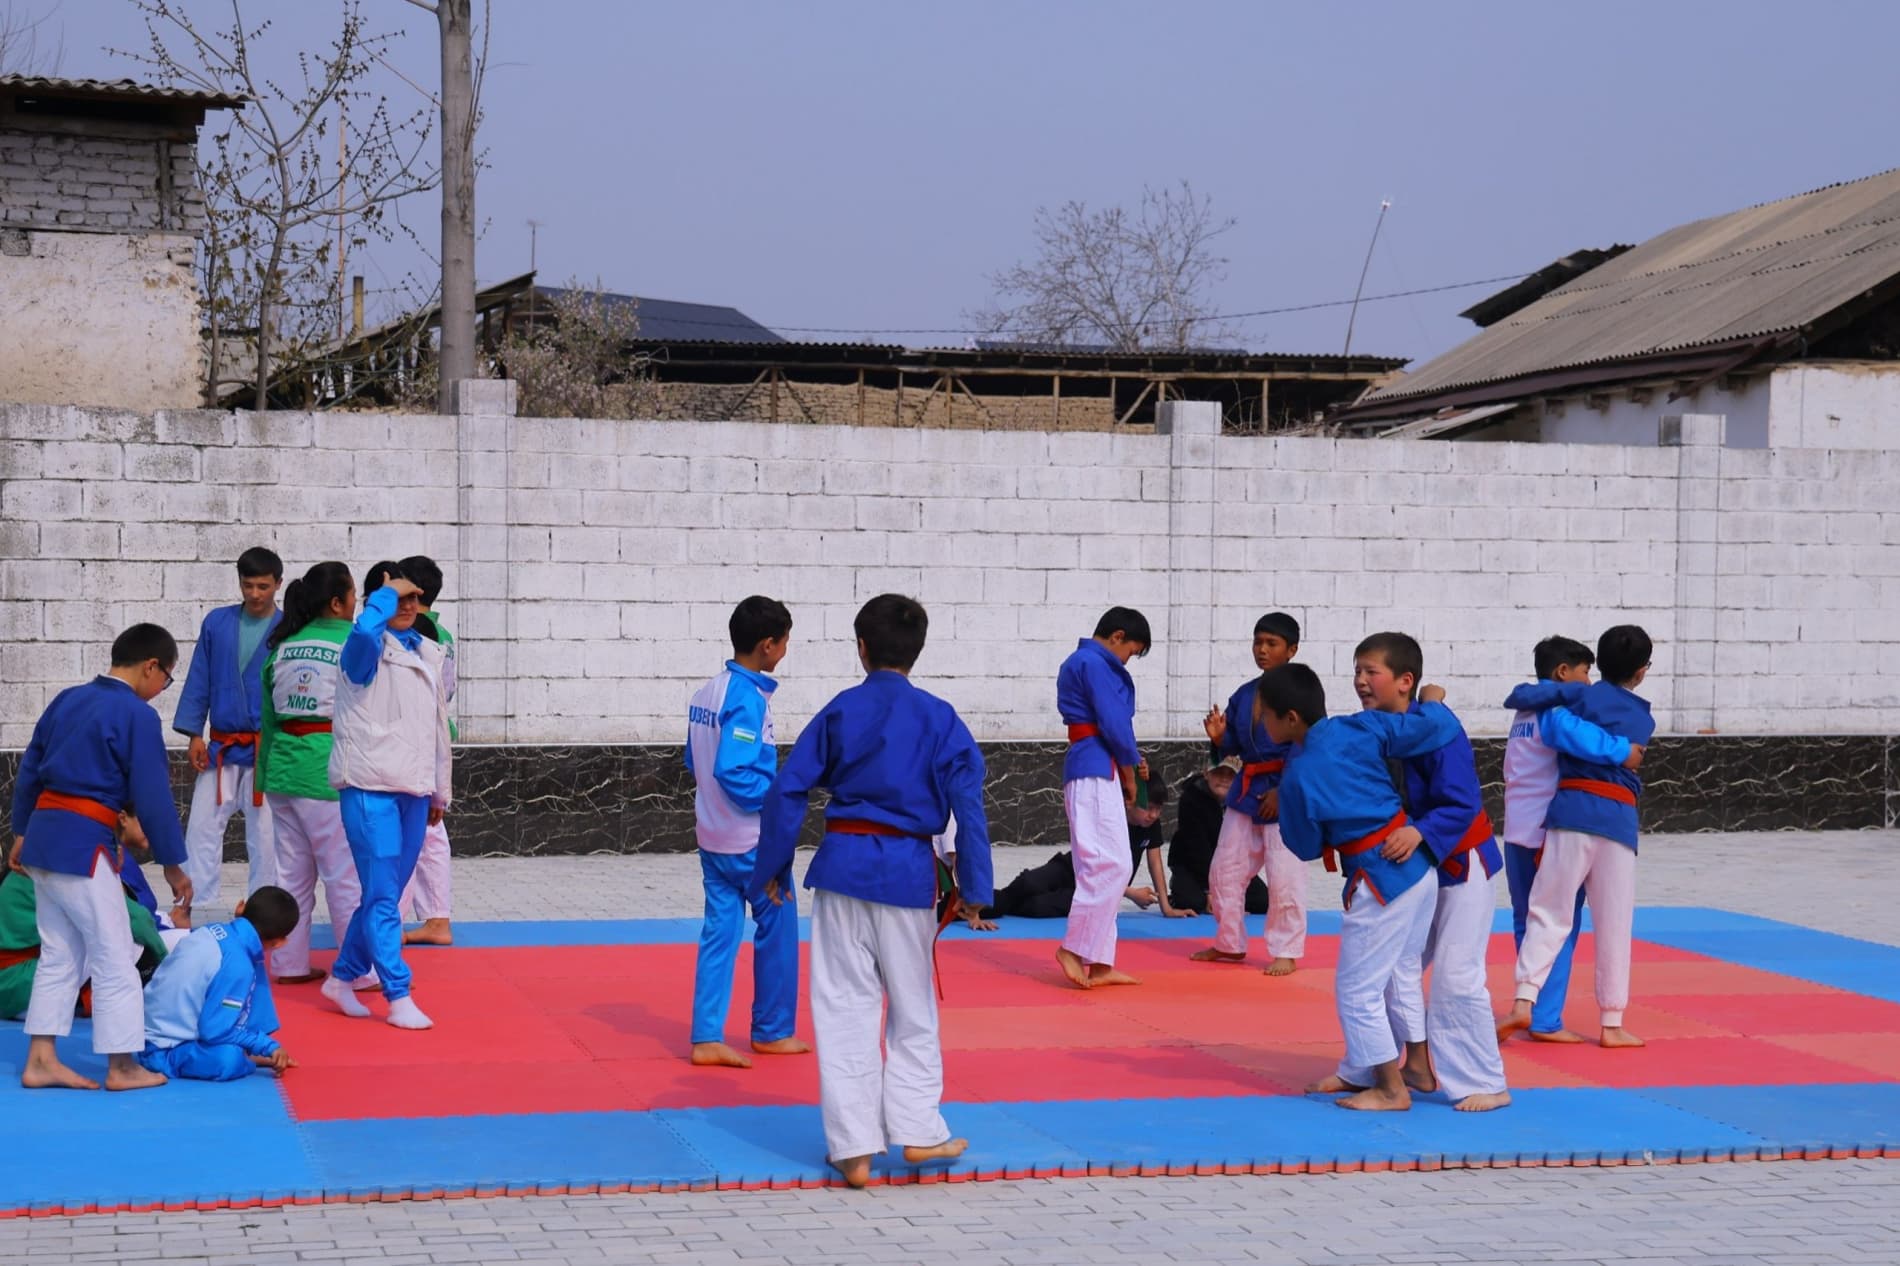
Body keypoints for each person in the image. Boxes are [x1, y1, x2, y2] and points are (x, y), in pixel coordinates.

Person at [750, 594, 993, 1189]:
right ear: (918, 650)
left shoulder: (840, 710)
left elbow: (789, 789)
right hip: (907, 875)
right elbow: (970, 805)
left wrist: (772, 869)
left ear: (861, 648)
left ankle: (853, 1148)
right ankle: (916, 1129)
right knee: (912, 1010)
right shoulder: (941, 718)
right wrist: (975, 887)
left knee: (842, 1009)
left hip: (841, 872)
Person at [1262, 662, 1462, 1112]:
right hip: (1417, 866)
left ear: (1290, 718)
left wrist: (1295, 804)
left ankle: (1391, 1088)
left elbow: (1306, 844)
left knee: (1357, 988)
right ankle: (1414, 1067)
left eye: (1266, 715)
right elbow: (1428, 728)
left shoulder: (1298, 775)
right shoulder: (1358, 727)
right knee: (1401, 971)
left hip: (1381, 878)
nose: (1262, 723)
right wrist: (1433, 700)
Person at [9, 623, 193, 1091]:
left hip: (45, 837)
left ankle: (42, 1059)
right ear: (152, 666)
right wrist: (172, 863)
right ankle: (122, 1065)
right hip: (81, 841)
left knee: (61, 952)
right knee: (114, 953)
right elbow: (152, 795)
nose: (161, 691)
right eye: (166, 680)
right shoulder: (135, 714)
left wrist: (21, 831)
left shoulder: (67, 699)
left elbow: (31, 766)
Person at [1354, 632, 1510, 1112]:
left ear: (1404, 681)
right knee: (1379, 968)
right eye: (1356, 672)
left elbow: (1462, 802)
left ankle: (1486, 1081)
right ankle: (1384, 1066)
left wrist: (1421, 832)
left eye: (1370, 672)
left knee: (1457, 976)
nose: (1360, 682)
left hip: (1463, 864)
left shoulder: (1439, 730)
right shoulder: (1375, 730)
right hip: (1414, 870)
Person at [1501, 625, 1656, 1050]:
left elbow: (1525, 697)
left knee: (1539, 919)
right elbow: (1560, 729)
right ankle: (1586, 1020)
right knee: (1600, 922)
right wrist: (1621, 752)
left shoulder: (1541, 704)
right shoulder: (1637, 713)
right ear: (1641, 672)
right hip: (1575, 824)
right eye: (1581, 671)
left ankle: (1528, 1000)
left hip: (1532, 825)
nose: (1585, 680)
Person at [320, 566, 453, 1031]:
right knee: (380, 898)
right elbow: (363, 633)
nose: (408, 605)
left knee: (387, 893)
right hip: (368, 787)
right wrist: (382, 597)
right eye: (398, 599)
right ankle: (397, 992)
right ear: (378, 605)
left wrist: (440, 790)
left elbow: (436, 730)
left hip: (413, 790)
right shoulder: (362, 649)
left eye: (414, 597)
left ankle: (340, 978)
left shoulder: (429, 651)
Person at [684, 595, 809, 1069]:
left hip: (712, 839)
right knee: (777, 930)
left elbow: (692, 759)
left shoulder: (705, 693)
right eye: (784, 642)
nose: (786, 650)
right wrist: (780, 799)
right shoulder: (745, 697)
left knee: (719, 933)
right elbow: (733, 771)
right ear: (766, 645)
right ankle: (773, 1029)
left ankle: (706, 1035)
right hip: (752, 842)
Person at [256, 561, 363, 986]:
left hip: (283, 771)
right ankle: (359, 972)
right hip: (327, 772)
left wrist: (263, 781)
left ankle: (289, 965)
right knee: (343, 876)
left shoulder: (283, 645)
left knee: (292, 876)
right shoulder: (356, 643)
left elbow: (265, 719)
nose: (358, 603)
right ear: (337, 602)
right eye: (354, 594)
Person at [172, 547, 284, 925]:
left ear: (278, 585)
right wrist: (193, 733)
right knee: (201, 827)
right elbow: (199, 678)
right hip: (220, 745)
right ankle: (192, 903)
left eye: (263, 586)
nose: (255, 593)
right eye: (248, 585)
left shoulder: (288, 629)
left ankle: (263, 912)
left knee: (266, 837)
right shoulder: (216, 623)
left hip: (265, 750)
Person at [1191, 612, 1307, 974]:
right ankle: (1228, 943)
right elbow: (1236, 745)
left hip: (1283, 793)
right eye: (1258, 642)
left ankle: (1286, 950)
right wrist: (1219, 738)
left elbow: (1307, 746)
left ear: (1292, 649)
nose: (1262, 649)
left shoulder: (1302, 692)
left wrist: (1284, 792)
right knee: (1224, 870)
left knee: (1284, 876)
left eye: (1271, 643)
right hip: (1246, 792)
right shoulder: (1244, 694)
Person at [1054, 607, 1151, 990]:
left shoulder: (1086, 662)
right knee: (1107, 864)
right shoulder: (1093, 663)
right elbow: (1114, 722)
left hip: (1098, 763)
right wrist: (1129, 768)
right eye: (1131, 651)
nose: (1128, 659)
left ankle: (1100, 960)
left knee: (1104, 864)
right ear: (1117, 637)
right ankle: (1074, 949)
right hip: (1094, 765)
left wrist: (1128, 765)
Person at [978, 766, 1184, 920]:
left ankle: (991, 906)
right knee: (1027, 883)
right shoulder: (1112, 819)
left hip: (1093, 891)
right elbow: (1096, 864)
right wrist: (1132, 894)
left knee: (1037, 906)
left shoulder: (1151, 826)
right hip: (1073, 868)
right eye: (1148, 807)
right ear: (1128, 800)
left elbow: (1155, 863)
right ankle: (970, 904)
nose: (1153, 815)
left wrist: (1166, 906)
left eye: (1159, 809)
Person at [138, 886, 298, 1081]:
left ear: (241, 907)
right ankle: (241, 1052)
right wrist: (265, 1045)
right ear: (280, 942)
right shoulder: (238, 966)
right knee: (228, 1060)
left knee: (254, 962)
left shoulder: (212, 930)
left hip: (148, 1031)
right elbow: (213, 1031)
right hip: (161, 1051)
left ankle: (244, 1046)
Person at [399, 556, 458, 949]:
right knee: (428, 833)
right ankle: (435, 916)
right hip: (432, 736)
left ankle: (405, 918)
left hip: (413, 738)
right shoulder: (444, 633)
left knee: (409, 834)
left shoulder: (416, 633)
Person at [1167, 759, 1269, 916]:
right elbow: (1196, 850)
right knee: (1192, 902)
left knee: (1262, 900)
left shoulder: (1242, 801)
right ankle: (1178, 891)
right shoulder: (1190, 800)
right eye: (1219, 773)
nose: (1224, 779)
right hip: (1192, 866)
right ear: (1207, 773)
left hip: (1229, 867)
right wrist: (1210, 890)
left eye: (1230, 775)